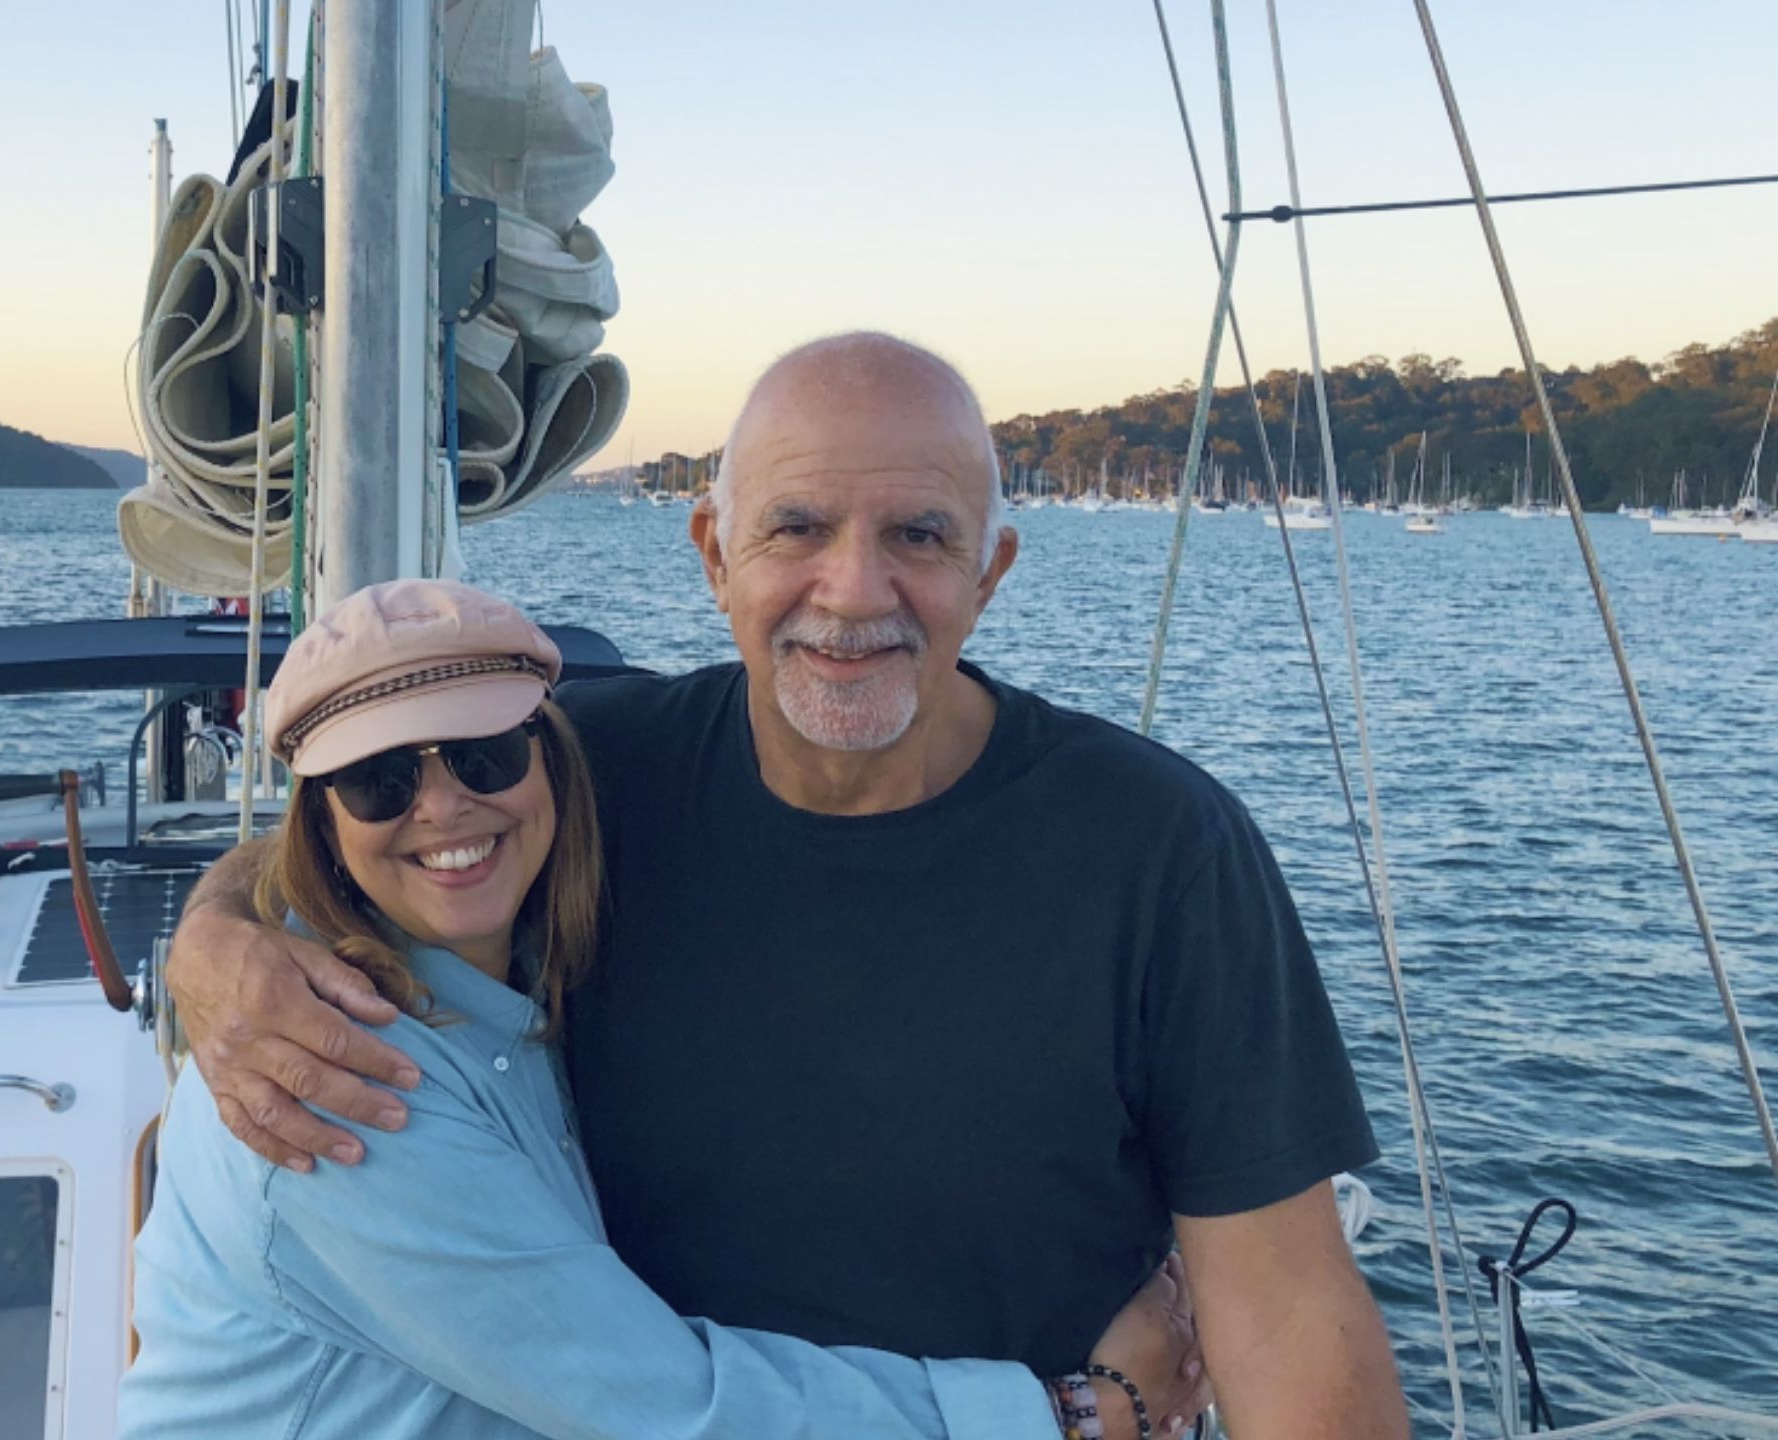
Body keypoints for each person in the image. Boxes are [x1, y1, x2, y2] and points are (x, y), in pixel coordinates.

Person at [165, 334, 1411, 1438]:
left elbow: (1286, 1298)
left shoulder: (1158, 846)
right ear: (715, 554)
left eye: (919, 536)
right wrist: (214, 936)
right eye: (797, 528)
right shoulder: (590, 772)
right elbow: (357, 826)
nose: (853, 592)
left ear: (992, 572)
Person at [120, 578, 1203, 1439]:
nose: (444, 806)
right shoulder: (335, 1080)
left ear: (553, 755)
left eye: (486, 753)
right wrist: (1062, 1417)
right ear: (323, 819)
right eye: (379, 783)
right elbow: (661, 1407)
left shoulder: (518, 964)